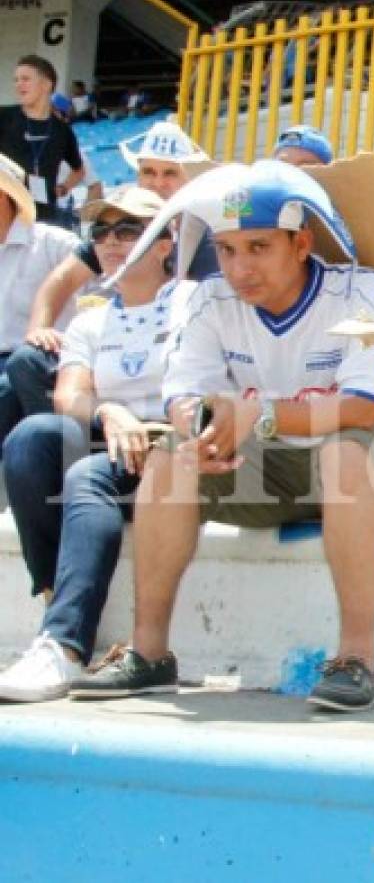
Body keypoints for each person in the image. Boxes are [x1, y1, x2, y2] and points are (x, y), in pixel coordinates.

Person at [68, 160, 374, 712]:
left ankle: (357, 658)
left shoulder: (362, 288)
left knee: (344, 458)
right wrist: (204, 431)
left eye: (259, 247)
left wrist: (254, 417)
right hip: (265, 467)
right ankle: (150, 654)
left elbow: (361, 408)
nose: (239, 267)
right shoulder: (206, 298)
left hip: (368, 461)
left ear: (302, 244)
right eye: (229, 249)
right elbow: (184, 395)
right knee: (169, 461)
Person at [0, 187, 187, 702]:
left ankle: (63, 644)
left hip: (180, 445)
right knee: (32, 438)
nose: (110, 242)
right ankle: (54, 602)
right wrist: (109, 410)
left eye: (129, 230)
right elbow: (70, 395)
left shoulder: (195, 303)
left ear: (165, 243)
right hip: (117, 440)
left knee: (85, 475)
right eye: (101, 232)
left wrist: (149, 426)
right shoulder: (91, 318)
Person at [5, 122, 216, 454]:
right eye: (148, 172)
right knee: (26, 362)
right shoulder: (114, 232)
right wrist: (39, 329)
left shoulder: (211, 236)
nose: (157, 183)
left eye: (169, 174)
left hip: (183, 351)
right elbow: (59, 281)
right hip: (115, 342)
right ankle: (65, 451)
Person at [0, 154, 79, 453]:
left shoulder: (55, 243)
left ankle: (45, 462)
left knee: (11, 382)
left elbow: (109, 289)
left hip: (46, 358)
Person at [0, 56, 84, 226]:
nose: (18, 85)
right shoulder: (3, 117)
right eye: (16, 80)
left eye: (25, 79)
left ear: (46, 84)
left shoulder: (62, 130)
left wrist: (64, 187)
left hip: (43, 219)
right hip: (5, 215)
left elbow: (78, 170)